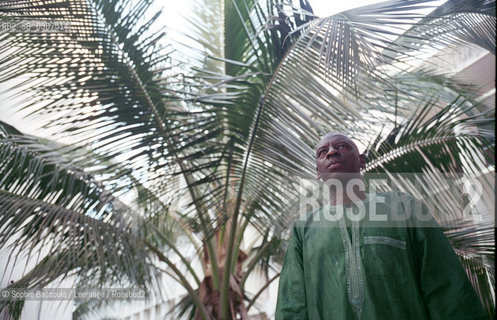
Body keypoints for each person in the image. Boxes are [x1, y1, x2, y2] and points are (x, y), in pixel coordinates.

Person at [275, 132, 486, 320]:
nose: (331, 152)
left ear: (362, 161)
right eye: (323, 152)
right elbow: (293, 305)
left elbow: (444, 284)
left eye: (341, 146)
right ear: (318, 172)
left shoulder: (402, 207)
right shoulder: (303, 229)